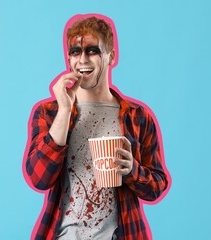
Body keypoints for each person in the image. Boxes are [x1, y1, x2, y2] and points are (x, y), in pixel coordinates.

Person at [23, 14, 170, 240]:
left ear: (111, 57)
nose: (82, 60)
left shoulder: (138, 117)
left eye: (92, 51)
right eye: (75, 52)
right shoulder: (48, 112)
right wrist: (64, 109)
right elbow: (39, 179)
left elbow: (158, 185)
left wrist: (132, 170)